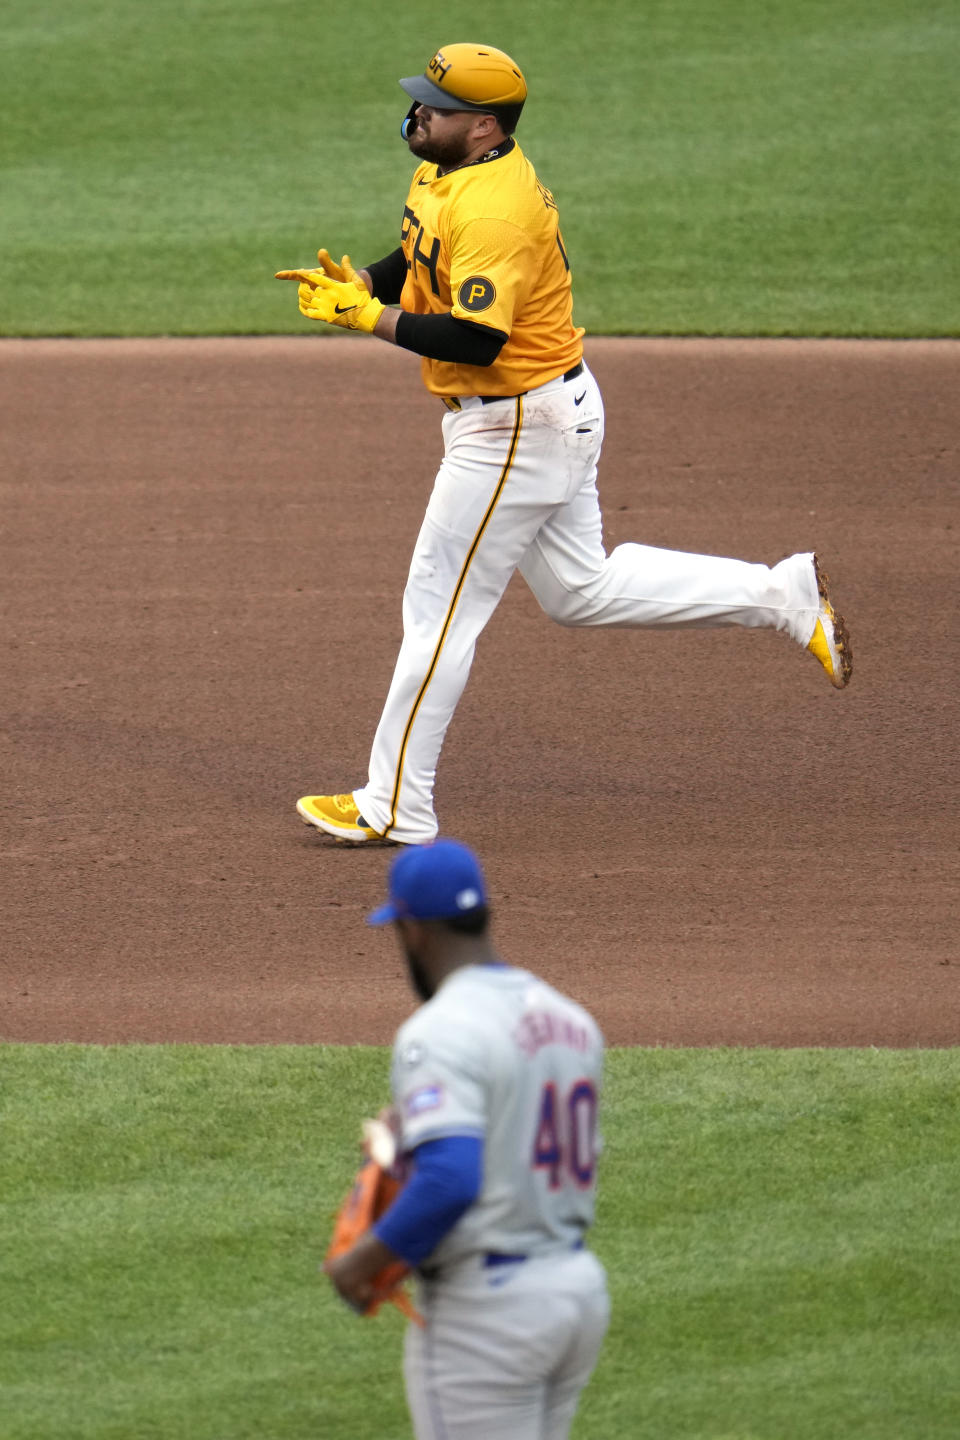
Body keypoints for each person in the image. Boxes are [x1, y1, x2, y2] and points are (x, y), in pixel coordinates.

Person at [277, 42, 853, 847]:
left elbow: (477, 338)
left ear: (481, 128)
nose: (418, 115)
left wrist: (365, 320)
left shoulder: (495, 209)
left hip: (515, 425)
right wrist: (370, 283)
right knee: (580, 591)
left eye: (435, 108)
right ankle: (780, 596)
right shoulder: (447, 171)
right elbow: (421, 250)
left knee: (438, 614)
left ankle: (393, 804)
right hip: (542, 413)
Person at [325, 838, 610, 1439]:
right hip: (575, 1292)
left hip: (489, 1315)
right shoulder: (572, 1021)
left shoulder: (439, 1030)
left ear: (415, 932)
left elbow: (451, 1177)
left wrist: (362, 1261)